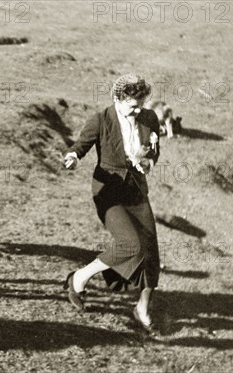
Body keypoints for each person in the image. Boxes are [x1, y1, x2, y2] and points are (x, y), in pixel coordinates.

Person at [63, 74, 161, 333]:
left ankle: (142, 309)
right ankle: (79, 278)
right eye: (133, 105)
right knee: (131, 244)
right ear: (118, 98)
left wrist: (148, 158)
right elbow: (80, 146)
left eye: (141, 103)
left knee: (150, 252)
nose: (138, 110)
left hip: (136, 191)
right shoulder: (101, 120)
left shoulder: (149, 118)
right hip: (109, 192)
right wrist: (73, 157)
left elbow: (154, 154)